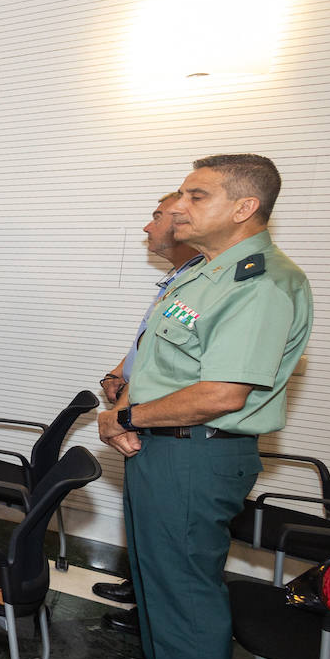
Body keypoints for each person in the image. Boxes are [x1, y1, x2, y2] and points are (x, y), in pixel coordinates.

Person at [97, 155, 312, 659]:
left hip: (198, 451)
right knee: (156, 579)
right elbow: (164, 365)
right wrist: (123, 413)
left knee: (187, 592)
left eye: (198, 194)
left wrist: (128, 420)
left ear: (243, 207)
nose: (180, 206)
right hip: (167, 447)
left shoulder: (261, 282)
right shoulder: (205, 275)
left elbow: (222, 392)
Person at [92, 192, 202, 636]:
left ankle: (157, 634)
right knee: (148, 531)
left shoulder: (205, 282)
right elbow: (149, 344)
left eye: (156, 216)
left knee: (173, 552)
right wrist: (118, 373)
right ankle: (142, 595)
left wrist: (123, 412)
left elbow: (188, 372)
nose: (146, 226)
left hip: (176, 431)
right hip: (146, 419)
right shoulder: (178, 280)